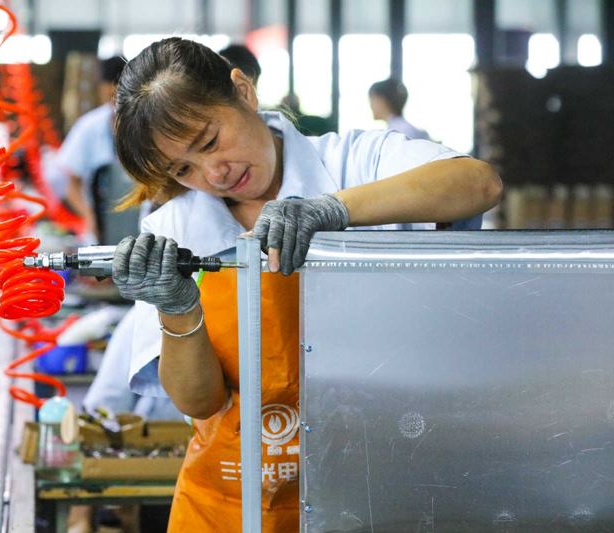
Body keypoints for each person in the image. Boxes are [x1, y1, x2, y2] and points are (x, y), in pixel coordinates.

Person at [110, 38, 502, 531]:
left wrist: (334, 209)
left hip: (383, 490)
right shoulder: (174, 231)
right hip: (236, 503)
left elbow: (478, 184)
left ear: (243, 91)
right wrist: (177, 309)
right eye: (182, 170)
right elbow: (198, 402)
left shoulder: (355, 162)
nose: (214, 173)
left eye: (210, 142)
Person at [56, 56, 128, 242]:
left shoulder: (146, 125)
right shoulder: (88, 127)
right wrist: (90, 216)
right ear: (101, 90)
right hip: (99, 227)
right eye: (110, 95)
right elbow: (71, 186)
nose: (115, 100)